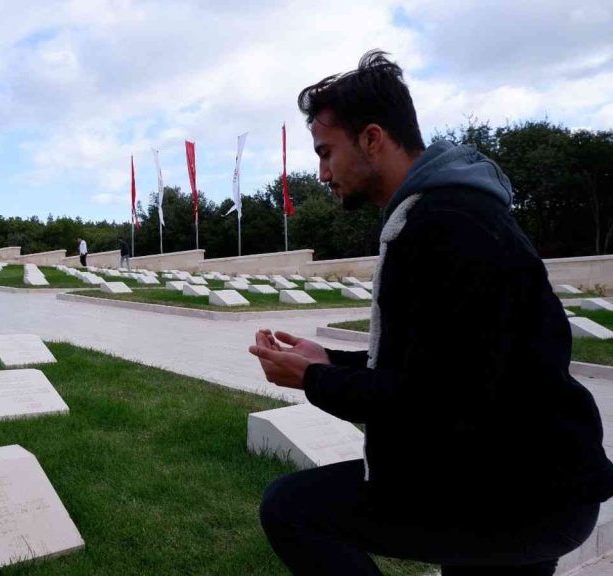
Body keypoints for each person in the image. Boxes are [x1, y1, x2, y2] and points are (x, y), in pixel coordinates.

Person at [250, 50, 613, 576]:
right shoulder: (445, 214)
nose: (323, 172)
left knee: (294, 508)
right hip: (506, 475)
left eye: (327, 153)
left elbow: (436, 399)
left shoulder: (448, 227)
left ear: (373, 138)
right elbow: (432, 362)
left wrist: (315, 379)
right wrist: (326, 357)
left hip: (517, 493)